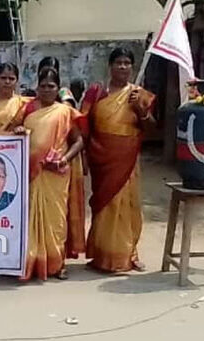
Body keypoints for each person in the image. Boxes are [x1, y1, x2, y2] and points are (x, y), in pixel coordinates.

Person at [82, 48, 156, 273]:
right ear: (110, 66)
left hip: (128, 159)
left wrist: (140, 109)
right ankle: (102, 256)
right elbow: (83, 123)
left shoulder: (139, 94)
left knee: (127, 206)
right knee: (105, 205)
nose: (123, 67)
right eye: (118, 62)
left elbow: (152, 130)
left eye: (127, 63)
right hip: (101, 158)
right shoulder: (96, 92)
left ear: (132, 67)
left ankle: (129, 254)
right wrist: (84, 156)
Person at [10, 68, 86, 281]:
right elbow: (11, 130)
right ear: (37, 87)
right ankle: (31, 263)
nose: (46, 90)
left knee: (56, 221)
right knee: (30, 219)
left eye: (51, 86)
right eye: (43, 86)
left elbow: (79, 141)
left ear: (58, 88)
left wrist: (64, 159)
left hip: (56, 173)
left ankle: (57, 264)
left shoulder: (65, 112)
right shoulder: (27, 108)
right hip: (31, 172)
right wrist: (17, 131)